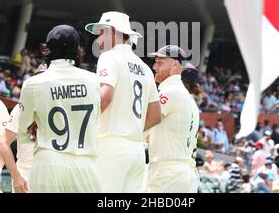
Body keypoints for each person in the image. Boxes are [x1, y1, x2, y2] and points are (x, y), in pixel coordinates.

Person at [18, 25, 101, 192]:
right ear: (78, 49)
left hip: (48, 162)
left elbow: (22, 131)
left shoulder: (33, 83)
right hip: (85, 163)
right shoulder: (94, 81)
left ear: (46, 49)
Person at [85, 11, 161, 192]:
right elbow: (156, 115)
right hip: (136, 151)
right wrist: (130, 130)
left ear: (111, 31)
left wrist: (85, 125)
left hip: (110, 148)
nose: (97, 40)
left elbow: (105, 96)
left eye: (101, 33)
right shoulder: (145, 68)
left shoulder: (109, 57)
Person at [145, 45, 199, 192]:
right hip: (184, 173)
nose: (154, 66)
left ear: (175, 64)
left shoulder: (170, 91)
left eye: (160, 62)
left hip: (168, 174)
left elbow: (143, 124)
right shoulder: (187, 99)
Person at [0, 63, 48, 193]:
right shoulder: (21, 107)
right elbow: (3, 143)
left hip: (51, 174)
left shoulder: (60, 105)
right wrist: (16, 176)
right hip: (26, 174)